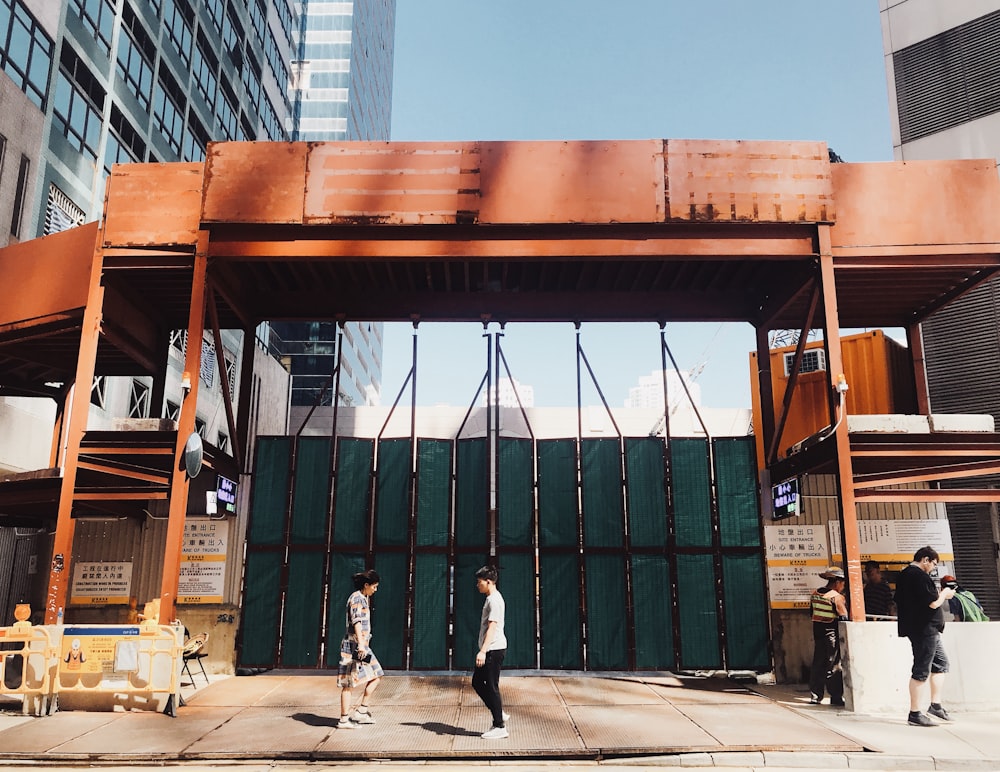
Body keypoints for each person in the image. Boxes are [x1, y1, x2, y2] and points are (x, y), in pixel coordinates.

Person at [894, 546, 955, 727]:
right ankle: (915, 713)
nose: (933, 568)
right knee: (921, 670)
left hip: (924, 629)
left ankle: (935, 706)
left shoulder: (904, 574)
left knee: (941, 664)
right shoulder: (918, 576)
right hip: (924, 629)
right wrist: (945, 593)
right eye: (933, 564)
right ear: (925, 559)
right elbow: (933, 603)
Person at [337, 569, 384, 729]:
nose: (375, 590)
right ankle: (344, 719)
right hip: (354, 648)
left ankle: (362, 711)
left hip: (362, 647)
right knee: (348, 683)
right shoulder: (357, 599)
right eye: (374, 586)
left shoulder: (362, 598)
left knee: (377, 674)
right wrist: (362, 645)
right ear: (366, 585)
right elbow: (357, 622)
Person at [473, 565, 509, 739]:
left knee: (492, 686)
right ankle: (498, 712)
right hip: (491, 649)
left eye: (479, 582)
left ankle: (499, 726)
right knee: (477, 682)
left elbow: (492, 627)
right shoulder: (491, 598)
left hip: (493, 649)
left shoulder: (494, 600)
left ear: (488, 582)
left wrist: (483, 651)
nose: (477, 585)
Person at [808, 566, 848, 707]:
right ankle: (836, 696)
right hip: (832, 636)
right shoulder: (836, 597)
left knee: (818, 665)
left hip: (818, 634)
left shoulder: (815, 594)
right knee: (833, 666)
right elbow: (844, 618)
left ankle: (815, 696)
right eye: (843, 583)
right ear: (837, 582)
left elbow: (811, 613)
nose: (843, 586)